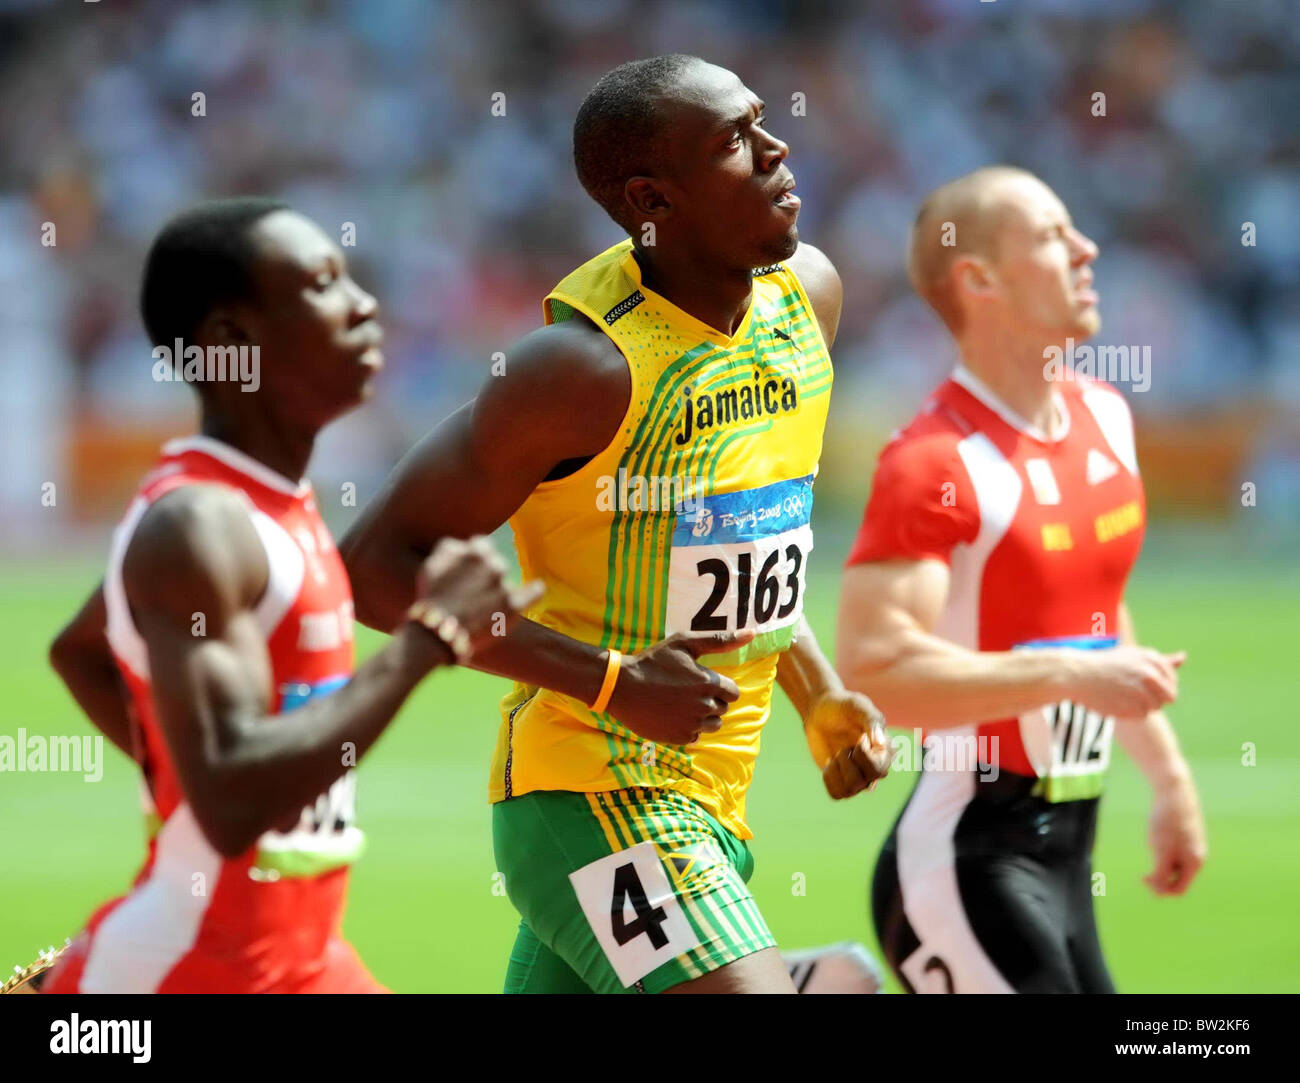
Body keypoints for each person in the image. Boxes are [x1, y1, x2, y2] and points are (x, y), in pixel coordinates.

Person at [343, 55, 891, 994]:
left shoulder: (809, 298)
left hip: (715, 799)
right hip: (591, 793)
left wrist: (818, 688)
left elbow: (741, 542)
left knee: (838, 983)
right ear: (653, 198)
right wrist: (613, 684)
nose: (775, 148)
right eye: (734, 141)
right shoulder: (580, 370)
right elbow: (370, 568)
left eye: (761, 121)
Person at [42, 198, 536, 993]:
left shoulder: (268, 506)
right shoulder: (197, 523)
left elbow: (82, 649)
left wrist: (180, 773)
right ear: (232, 342)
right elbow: (234, 800)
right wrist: (429, 636)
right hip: (187, 972)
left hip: (300, 960)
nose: (364, 303)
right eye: (321, 284)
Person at [837, 166, 1207, 993]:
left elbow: (1102, 617)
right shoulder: (932, 464)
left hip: (1070, 847)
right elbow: (874, 674)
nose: (1087, 248)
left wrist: (1169, 778)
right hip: (963, 858)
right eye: (1051, 235)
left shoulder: (1106, 415)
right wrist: (1071, 672)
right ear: (979, 279)